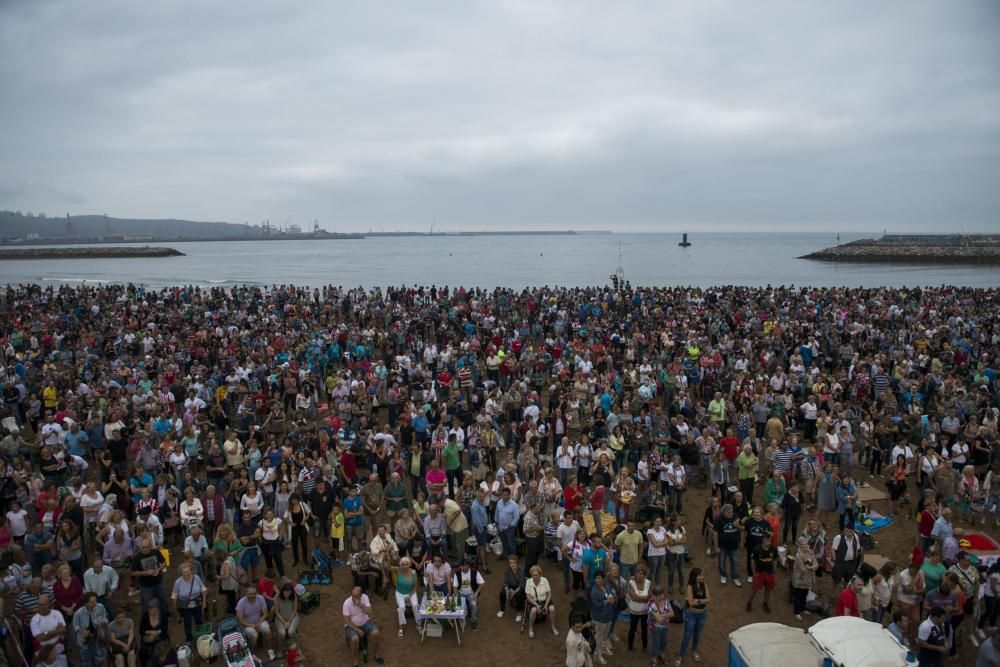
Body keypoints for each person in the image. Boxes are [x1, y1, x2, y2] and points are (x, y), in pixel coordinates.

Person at [343, 586, 384, 666]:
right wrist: (357, 630)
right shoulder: (347, 603)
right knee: (355, 639)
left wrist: (361, 605)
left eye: (356, 596)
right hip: (352, 626)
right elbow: (347, 621)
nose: (353, 598)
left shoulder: (365, 598)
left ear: (360, 595)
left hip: (365, 622)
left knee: (376, 633)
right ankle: (355, 661)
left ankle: (377, 655)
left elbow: (370, 611)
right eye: (352, 596)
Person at [676, 567, 709, 665]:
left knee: (697, 634)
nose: (702, 577)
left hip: (702, 614)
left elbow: (709, 599)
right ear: (695, 577)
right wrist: (702, 600)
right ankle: (680, 655)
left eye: (702, 575)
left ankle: (694, 651)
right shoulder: (690, 586)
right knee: (687, 635)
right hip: (691, 614)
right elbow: (690, 602)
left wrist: (697, 600)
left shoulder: (704, 585)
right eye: (700, 575)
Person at [170, 562, 207, 643]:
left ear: (191, 571)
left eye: (187, 572)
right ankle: (189, 639)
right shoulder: (178, 582)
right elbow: (174, 596)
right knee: (187, 623)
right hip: (185, 606)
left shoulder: (196, 578)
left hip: (197, 603)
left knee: (199, 620)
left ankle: (200, 636)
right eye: (183, 572)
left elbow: (203, 589)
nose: (185, 574)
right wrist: (175, 610)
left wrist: (204, 601)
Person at [745, 529, 777, 613]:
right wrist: (754, 572)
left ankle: (765, 603)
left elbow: (775, 559)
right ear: (763, 540)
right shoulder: (757, 549)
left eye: (769, 541)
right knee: (754, 589)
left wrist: (774, 569)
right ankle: (749, 602)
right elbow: (752, 560)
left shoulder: (773, 549)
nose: (768, 543)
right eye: (766, 541)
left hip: (769, 572)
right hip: (759, 572)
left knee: (768, 589)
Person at [73, 592, 109, 667]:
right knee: (86, 662)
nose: (94, 603)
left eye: (95, 601)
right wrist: (82, 631)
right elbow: (75, 626)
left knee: (99, 660)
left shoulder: (100, 607)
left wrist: (102, 623)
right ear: (86, 603)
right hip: (84, 639)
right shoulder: (78, 613)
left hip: (98, 637)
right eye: (92, 602)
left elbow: (105, 618)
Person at [589, 571, 616, 665]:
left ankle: (604, 648)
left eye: (599, 578)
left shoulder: (607, 585)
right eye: (596, 578)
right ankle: (597, 655)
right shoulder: (594, 591)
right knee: (599, 637)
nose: (598, 580)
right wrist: (606, 602)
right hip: (600, 618)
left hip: (609, 615)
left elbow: (611, 593)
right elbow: (595, 605)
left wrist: (612, 599)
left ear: (603, 578)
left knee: (606, 634)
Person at [31, 595, 67, 667]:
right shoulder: (34, 619)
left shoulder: (57, 613)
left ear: (50, 604)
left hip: (57, 645)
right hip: (42, 648)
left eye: (45, 604)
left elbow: (63, 630)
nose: (42, 607)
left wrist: (46, 633)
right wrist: (57, 631)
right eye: (40, 605)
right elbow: (40, 638)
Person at [525, 564, 559, 638]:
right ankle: (530, 628)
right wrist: (537, 605)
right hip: (533, 601)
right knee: (534, 610)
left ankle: (553, 627)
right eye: (533, 575)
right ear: (531, 575)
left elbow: (549, 594)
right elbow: (528, 596)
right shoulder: (528, 581)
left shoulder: (545, 580)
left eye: (537, 575)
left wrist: (546, 605)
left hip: (544, 600)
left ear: (540, 574)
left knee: (552, 609)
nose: (535, 577)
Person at [391, 556, 420, 638]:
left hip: (411, 592)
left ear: (410, 564)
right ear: (400, 565)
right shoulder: (398, 570)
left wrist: (410, 595)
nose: (405, 566)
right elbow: (388, 567)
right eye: (403, 564)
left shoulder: (414, 572)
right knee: (401, 608)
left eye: (407, 564)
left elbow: (415, 586)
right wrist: (389, 556)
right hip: (400, 593)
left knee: (415, 605)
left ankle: (418, 623)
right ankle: (401, 626)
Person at [791, 536, 819, 620]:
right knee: (798, 596)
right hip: (800, 580)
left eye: (806, 544)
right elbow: (802, 569)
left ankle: (802, 608)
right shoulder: (798, 555)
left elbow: (816, 563)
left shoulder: (811, 553)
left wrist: (812, 567)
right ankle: (797, 612)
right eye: (804, 545)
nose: (806, 546)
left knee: (805, 595)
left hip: (808, 580)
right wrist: (811, 568)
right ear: (800, 546)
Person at [453, 557, 485, 630]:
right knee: (458, 604)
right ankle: (461, 618)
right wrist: (455, 596)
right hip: (461, 593)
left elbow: (482, 583)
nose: (461, 567)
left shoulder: (475, 572)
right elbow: (455, 586)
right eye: (460, 566)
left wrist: (476, 593)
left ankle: (474, 621)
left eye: (463, 566)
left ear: (468, 565)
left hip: (471, 593)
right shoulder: (457, 573)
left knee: (473, 604)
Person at [647, 585, 672, 667]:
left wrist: (663, 615)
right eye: (660, 595)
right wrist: (667, 616)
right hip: (655, 628)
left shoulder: (666, 600)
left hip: (665, 626)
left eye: (662, 594)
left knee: (664, 642)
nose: (662, 596)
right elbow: (658, 620)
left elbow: (673, 613)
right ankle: (654, 659)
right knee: (656, 643)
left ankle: (661, 655)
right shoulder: (651, 604)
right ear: (654, 595)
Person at [498, 554, 526, 622]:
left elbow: (522, 584)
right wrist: (507, 591)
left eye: (514, 563)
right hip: (510, 586)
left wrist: (514, 592)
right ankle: (502, 609)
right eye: (510, 563)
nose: (512, 564)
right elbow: (506, 583)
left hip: (519, 587)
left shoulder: (521, 570)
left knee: (518, 595)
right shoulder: (507, 571)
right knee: (502, 593)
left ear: (517, 563)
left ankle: (519, 613)